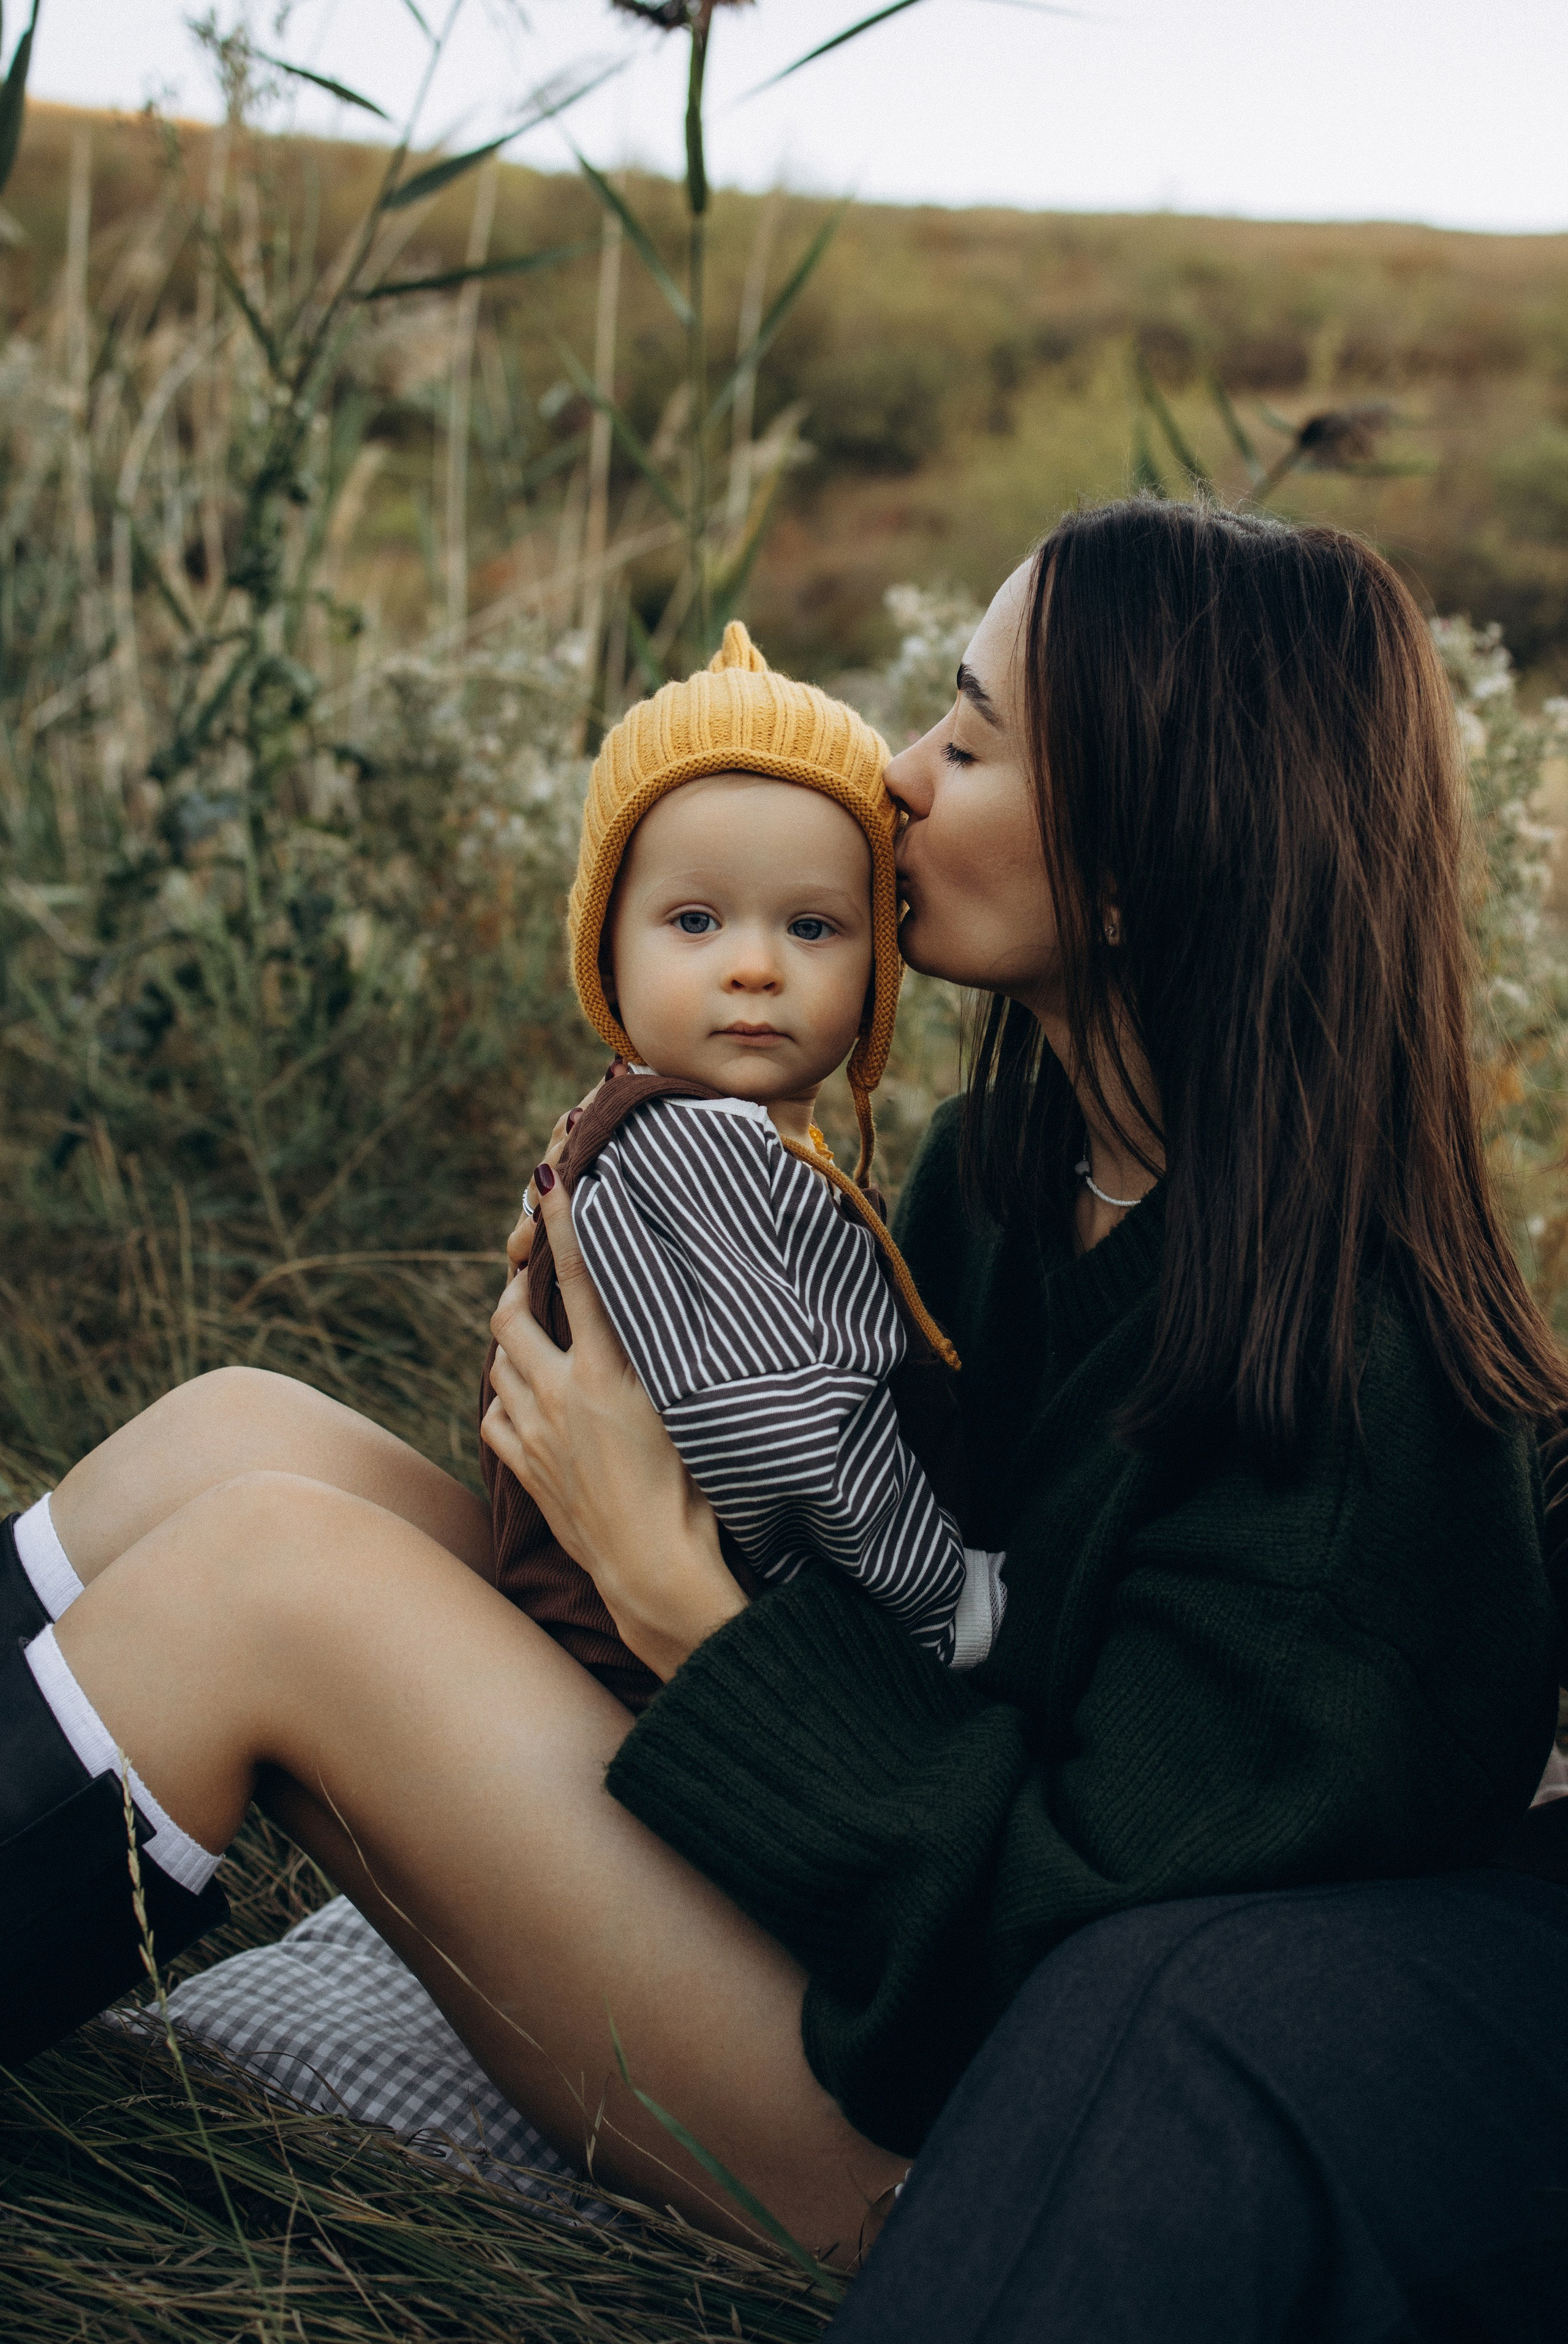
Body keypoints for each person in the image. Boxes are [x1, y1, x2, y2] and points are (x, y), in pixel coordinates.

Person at [2, 500, 1564, 2295]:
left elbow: (1079, 1962)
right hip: (826, 1894)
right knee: (240, 1432)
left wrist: (680, 1601)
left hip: (939, 2118)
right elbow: (883, 1543)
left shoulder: (1357, 1406)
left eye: (969, 738)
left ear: (1136, 867)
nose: (896, 779)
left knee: (272, 1582)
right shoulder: (1013, 1167)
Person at [480, 619, 998, 1718]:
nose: (754, 968)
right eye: (696, 921)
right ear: (605, 946)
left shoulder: (732, 1141)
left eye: (813, 926)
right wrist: (945, 1598)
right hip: (642, 1673)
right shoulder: (693, 1146)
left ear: (879, 961)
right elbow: (785, 1426)